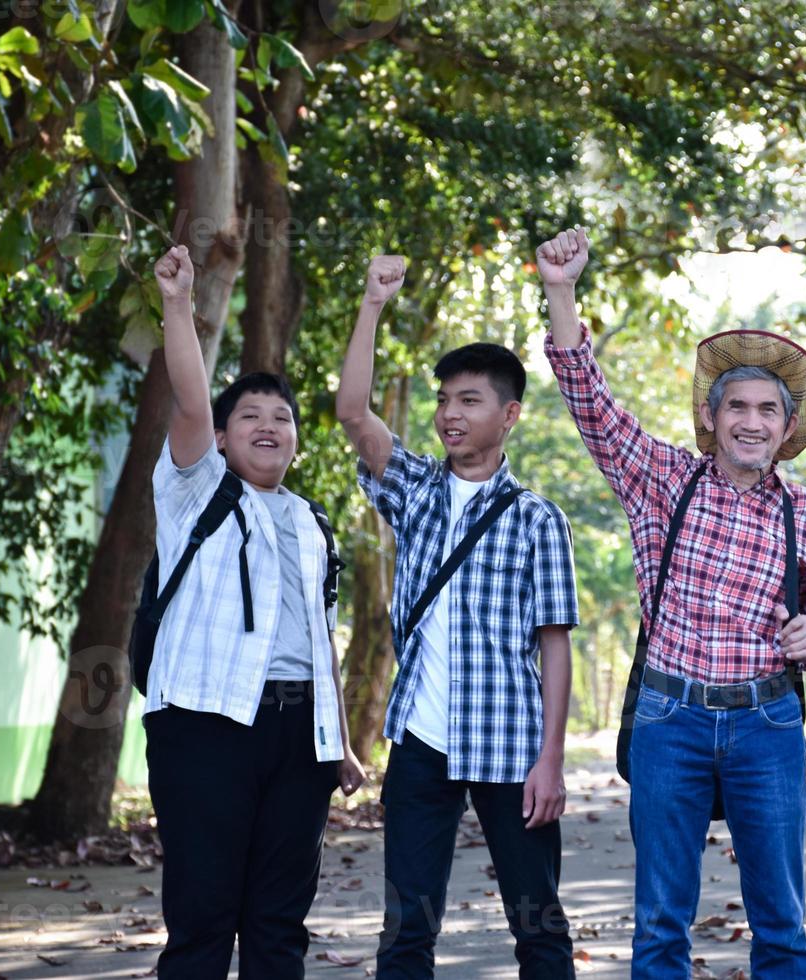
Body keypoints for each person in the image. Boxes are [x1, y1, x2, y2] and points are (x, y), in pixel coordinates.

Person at [538, 228, 806, 977]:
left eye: (769, 410)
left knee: (781, 923)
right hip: (669, 720)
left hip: (768, 722)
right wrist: (562, 290)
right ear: (711, 418)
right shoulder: (663, 480)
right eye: (736, 406)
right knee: (660, 924)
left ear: (787, 425)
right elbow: (590, 401)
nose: (751, 421)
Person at [336, 255, 580, 978]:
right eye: (445, 399)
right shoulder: (413, 490)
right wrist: (372, 303)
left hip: (512, 743)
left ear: (508, 415)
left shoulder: (538, 519)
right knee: (407, 929)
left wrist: (552, 760)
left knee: (538, 927)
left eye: (469, 400)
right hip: (420, 743)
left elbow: (555, 648)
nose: (449, 413)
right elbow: (353, 412)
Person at [143, 245, 365, 979]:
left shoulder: (311, 520)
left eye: (282, 417)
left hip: (298, 736)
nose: (268, 425)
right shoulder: (194, 490)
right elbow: (188, 403)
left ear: (296, 440)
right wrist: (179, 303)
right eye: (251, 415)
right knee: (204, 918)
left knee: (278, 922)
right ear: (226, 433)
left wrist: (338, 740)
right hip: (204, 725)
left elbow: (317, 634)